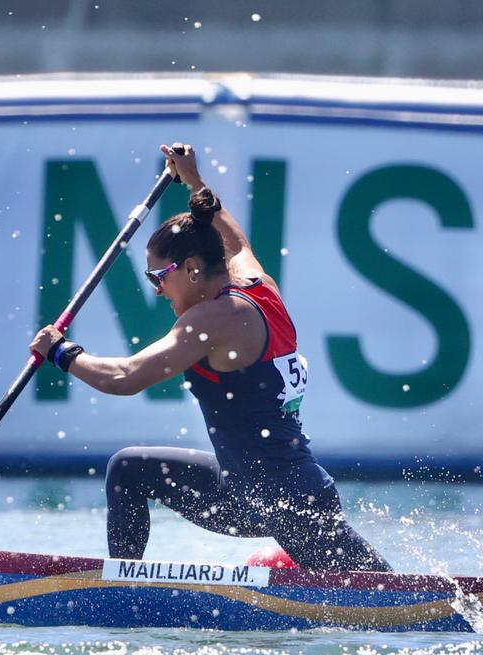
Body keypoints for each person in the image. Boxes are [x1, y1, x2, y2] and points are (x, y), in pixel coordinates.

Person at [30, 142, 390, 572]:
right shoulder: (258, 282)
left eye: (159, 276)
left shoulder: (216, 320)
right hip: (243, 492)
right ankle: (123, 585)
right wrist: (195, 182)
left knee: (392, 603)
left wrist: (61, 351)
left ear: (193, 268)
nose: (157, 289)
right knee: (127, 469)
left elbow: (125, 377)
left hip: (290, 501)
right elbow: (234, 241)